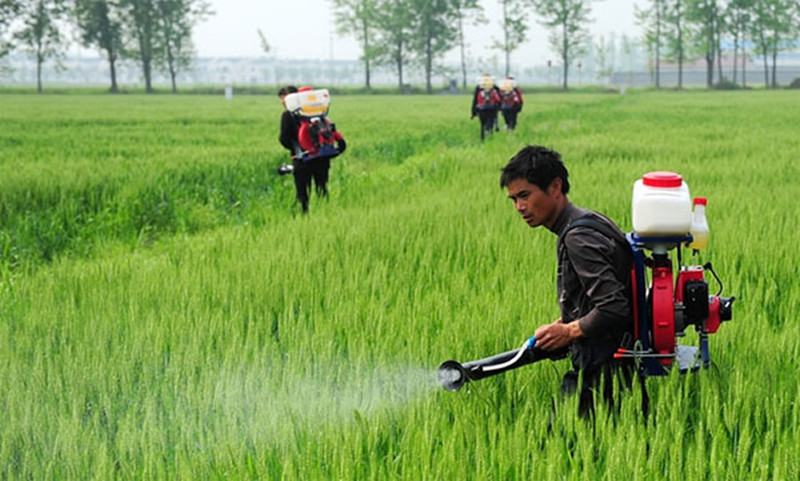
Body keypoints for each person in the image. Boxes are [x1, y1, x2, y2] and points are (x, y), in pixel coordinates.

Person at [499, 145, 647, 419]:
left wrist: (569, 332)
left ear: (555, 187)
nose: (520, 207)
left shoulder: (578, 236)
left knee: (560, 445)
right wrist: (564, 323)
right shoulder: (590, 220)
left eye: (525, 195)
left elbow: (613, 306)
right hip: (614, 361)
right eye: (513, 200)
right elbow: (600, 296)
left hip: (599, 368)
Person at [277, 86, 346, 213]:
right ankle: (326, 214)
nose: (283, 101)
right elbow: (331, 131)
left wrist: (297, 149)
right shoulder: (318, 113)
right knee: (322, 189)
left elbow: (284, 138)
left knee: (303, 194)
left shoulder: (288, 115)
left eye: (284, 98)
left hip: (302, 160)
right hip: (322, 157)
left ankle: (305, 217)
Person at [471, 74, 501, 141]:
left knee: (482, 124)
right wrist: (499, 108)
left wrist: (473, 112)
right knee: (490, 123)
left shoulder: (479, 88)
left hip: (481, 109)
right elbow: (499, 99)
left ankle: (483, 138)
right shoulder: (494, 87)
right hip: (492, 109)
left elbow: (475, 100)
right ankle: (490, 137)